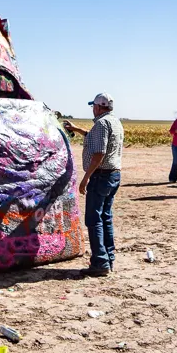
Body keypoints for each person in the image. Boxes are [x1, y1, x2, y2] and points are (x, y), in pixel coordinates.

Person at [64, 93, 123, 276]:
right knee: (105, 217)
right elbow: (95, 138)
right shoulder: (114, 122)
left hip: (101, 176)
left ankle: (100, 262)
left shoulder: (101, 124)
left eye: (93, 106)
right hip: (113, 175)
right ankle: (108, 258)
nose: (92, 109)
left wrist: (86, 177)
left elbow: (99, 152)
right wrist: (77, 129)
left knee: (93, 219)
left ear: (98, 106)